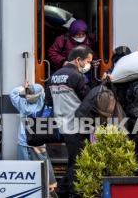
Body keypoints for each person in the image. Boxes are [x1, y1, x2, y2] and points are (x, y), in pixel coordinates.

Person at [45, 45, 93, 197]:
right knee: (78, 160)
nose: (88, 65)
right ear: (78, 60)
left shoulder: (54, 76)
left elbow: (49, 101)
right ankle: (69, 192)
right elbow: (87, 100)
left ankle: (63, 190)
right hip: (77, 124)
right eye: (87, 61)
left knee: (74, 158)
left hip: (62, 124)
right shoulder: (77, 76)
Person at [9, 83, 58, 196]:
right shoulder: (42, 103)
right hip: (38, 141)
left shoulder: (22, 104)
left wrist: (23, 87)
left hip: (23, 141)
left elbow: (13, 93)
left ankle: (30, 190)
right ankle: (50, 188)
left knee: (25, 168)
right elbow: (42, 92)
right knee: (43, 164)